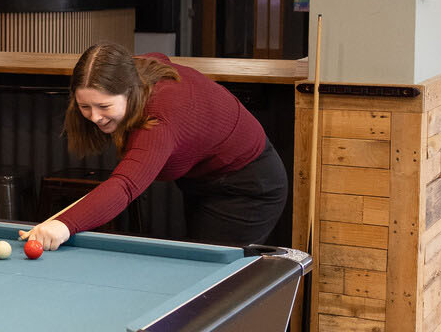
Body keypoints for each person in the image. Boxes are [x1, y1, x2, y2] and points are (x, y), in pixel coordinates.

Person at [27, 43, 288, 252]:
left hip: (248, 186)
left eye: (104, 107)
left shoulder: (160, 118)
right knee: (198, 269)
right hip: (204, 182)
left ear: (130, 91)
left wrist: (63, 226)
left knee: (212, 284)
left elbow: (126, 186)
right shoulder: (134, 69)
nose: (95, 117)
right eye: (85, 107)